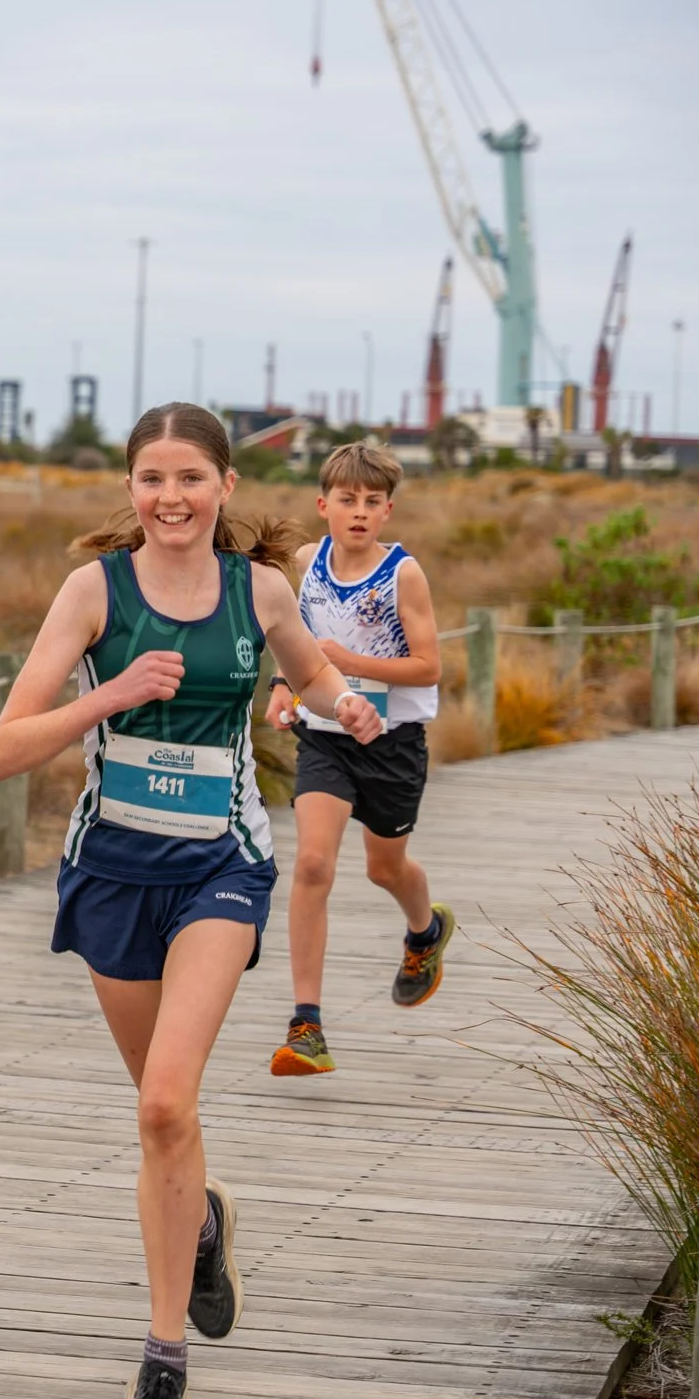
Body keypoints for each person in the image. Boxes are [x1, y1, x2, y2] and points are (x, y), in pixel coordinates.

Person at [0, 403, 384, 1399]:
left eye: (190, 480)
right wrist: (107, 694)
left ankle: (161, 1361)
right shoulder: (91, 594)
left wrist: (343, 709)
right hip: (112, 874)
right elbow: (3, 749)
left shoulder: (257, 592)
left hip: (218, 868)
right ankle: (202, 1221)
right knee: (164, 1125)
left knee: (166, 1102)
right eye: (151, 480)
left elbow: (308, 672)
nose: (169, 499)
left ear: (221, 489)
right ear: (130, 489)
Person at [261, 443, 454, 1077]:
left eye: (373, 502)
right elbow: (291, 646)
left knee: (384, 869)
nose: (360, 512)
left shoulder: (404, 574)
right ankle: (306, 1023)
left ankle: (425, 932)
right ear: (324, 506)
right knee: (313, 862)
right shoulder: (304, 564)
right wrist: (285, 690)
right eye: (348, 500)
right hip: (325, 737)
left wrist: (349, 662)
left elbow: (429, 666)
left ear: (388, 512)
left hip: (393, 743)